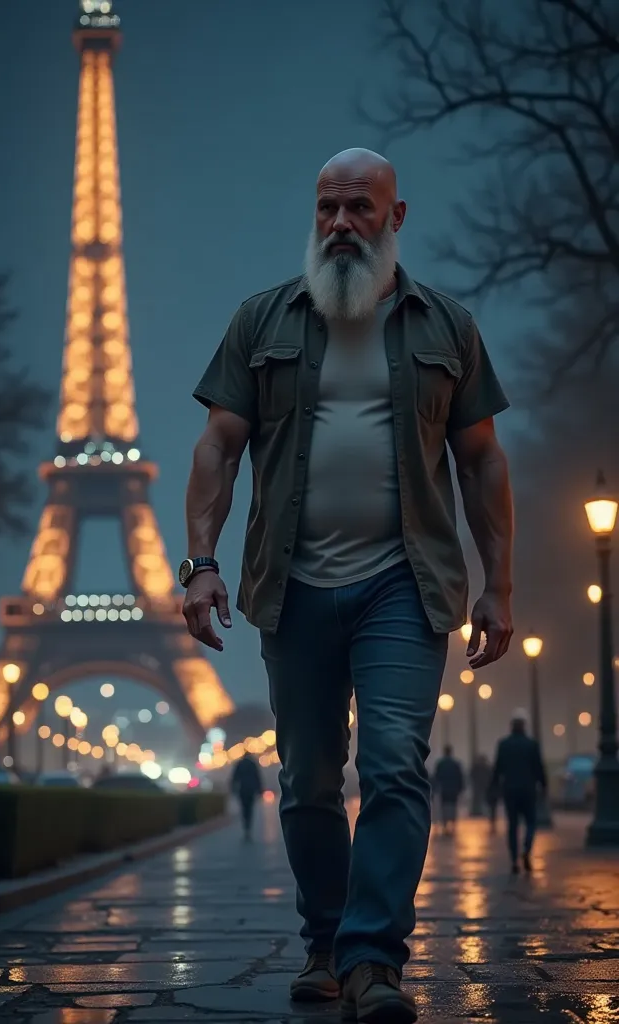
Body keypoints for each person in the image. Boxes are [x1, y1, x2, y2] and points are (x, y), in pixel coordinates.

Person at [181, 148, 513, 1023]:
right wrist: (201, 562)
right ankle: (327, 939)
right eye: (327, 208)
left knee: (397, 765)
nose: (339, 224)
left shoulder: (449, 325)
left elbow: (481, 462)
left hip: (405, 585)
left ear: (395, 218)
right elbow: (217, 446)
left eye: (359, 208)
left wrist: (499, 584)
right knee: (307, 780)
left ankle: (373, 959)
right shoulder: (263, 321)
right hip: (292, 585)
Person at [491, 709, 547, 874]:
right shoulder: (532, 745)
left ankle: (514, 860)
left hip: (510, 790)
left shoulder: (504, 745)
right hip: (528, 790)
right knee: (531, 822)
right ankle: (526, 849)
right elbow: (539, 767)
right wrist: (543, 785)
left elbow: (497, 769)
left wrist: (493, 786)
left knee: (512, 825)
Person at [230, 751, 263, 839]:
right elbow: (257, 777)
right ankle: (248, 827)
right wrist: (259, 790)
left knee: (244, 808)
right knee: (250, 809)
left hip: (242, 789)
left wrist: (233, 789)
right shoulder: (253, 764)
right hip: (251, 790)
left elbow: (234, 777)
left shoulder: (239, 764)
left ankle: (246, 827)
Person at [432, 746, 464, 835]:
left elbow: (436, 777)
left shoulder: (440, 764)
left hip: (444, 789)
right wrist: (460, 788)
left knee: (444, 807)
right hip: (454, 789)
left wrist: (435, 788)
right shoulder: (456, 764)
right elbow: (460, 777)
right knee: (453, 807)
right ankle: (453, 824)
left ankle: (445, 824)